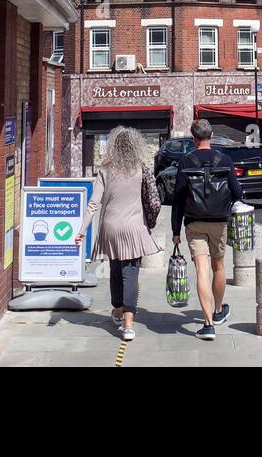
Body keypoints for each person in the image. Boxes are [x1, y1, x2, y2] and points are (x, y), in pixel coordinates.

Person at [76, 127, 160, 342]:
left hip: (110, 227)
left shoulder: (105, 170)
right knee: (130, 273)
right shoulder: (140, 169)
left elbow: (94, 203)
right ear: (135, 145)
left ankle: (117, 310)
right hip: (134, 228)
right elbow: (152, 199)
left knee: (115, 269)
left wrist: (82, 230)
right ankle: (129, 325)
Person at [171, 118, 243, 340]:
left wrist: (175, 231)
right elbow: (237, 192)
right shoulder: (225, 159)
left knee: (202, 269)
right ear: (211, 136)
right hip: (219, 221)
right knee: (218, 266)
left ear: (193, 138)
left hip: (194, 221)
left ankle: (208, 324)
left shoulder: (186, 161)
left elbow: (178, 199)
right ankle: (219, 310)